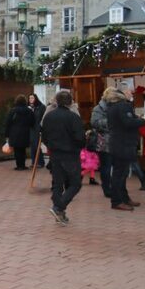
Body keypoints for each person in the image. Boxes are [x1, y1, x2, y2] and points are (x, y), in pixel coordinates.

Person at [41, 90, 85, 225]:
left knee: (57, 183)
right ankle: (59, 207)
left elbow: (44, 136)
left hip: (54, 153)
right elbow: (80, 138)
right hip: (70, 154)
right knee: (75, 183)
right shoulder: (73, 117)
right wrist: (79, 147)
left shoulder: (48, 117)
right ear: (70, 102)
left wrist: (51, 146)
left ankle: (59, 211)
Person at [106, 86, 145, 211]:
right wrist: (143, 120)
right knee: (120, 174)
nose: (131, 93)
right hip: (124, 143)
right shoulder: (123, 106)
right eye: (128, 91)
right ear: (121, 94)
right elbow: (128, 123)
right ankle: (117, 201)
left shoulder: (112, 106)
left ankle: (124, 198)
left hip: (116, 143)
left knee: (120, 173)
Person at [91, 89, 114, 198]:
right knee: (106, 167)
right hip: (104, 142)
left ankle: (115, 187)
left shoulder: (116, 107)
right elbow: (94, 123)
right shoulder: (98, 108)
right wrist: (110, 121)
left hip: (116, 141)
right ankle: (107, 189)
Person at [5, 94, 36, 170]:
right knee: (23, 149)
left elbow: (8, 122)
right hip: (25, 132)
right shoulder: (29, 111)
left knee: (17, 150)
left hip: (14, 132)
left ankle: (19, 165)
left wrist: (7, 134)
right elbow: (33, 122)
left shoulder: (13, 111)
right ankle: (23, 165)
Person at [29, 94, 46, 168]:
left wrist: (42, 128)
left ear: (36, 98)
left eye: (32, 98)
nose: (30, 99)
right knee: (32, 146)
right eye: (29, 98)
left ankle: (40, 162)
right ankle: (34, 162)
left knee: (37, 146)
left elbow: (44, 118)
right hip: (31, 129)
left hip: (38, 129)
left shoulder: (41, 107)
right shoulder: (29, 107)